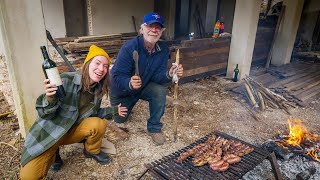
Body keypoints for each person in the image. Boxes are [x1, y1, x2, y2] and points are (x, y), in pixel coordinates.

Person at [20, 45, 127, 179]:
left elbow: (95, 113)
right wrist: (50, 98)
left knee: (98, 124)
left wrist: (114, 110)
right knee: (28, 177)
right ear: (88, 64)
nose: (101, 69)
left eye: (105, 66)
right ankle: (55, 154)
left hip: (71, 132)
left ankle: (91, 151)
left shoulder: (97, 90)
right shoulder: (65, 80)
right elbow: (44, 114)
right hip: (52, 134)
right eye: (97, 63)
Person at [110, 12, 183, 146]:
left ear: (161, 32)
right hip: (123, 91)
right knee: (120, 119)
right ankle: (127, 104)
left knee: (159, 90)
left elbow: (157, 76)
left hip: (143, 87)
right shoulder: (129, 48)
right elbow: (116, 76)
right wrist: (129, 83)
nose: (154, 30)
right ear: (142, 29)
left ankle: (154, 128)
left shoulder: (162, 49)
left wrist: (169, 73)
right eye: (150, 26)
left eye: (158, 28)